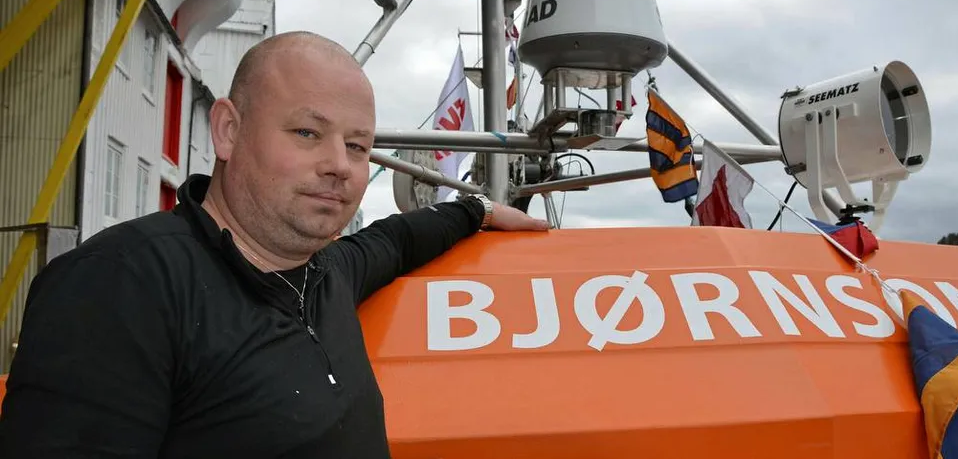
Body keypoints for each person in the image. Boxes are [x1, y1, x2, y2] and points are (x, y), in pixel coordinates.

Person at [0, 31, 549, 458]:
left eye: (357, 146)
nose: (339, 165)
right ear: (228, 132)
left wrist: (475, 209)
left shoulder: (326, 272)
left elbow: (399, 237)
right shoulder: (118, 289)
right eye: (307, 133)